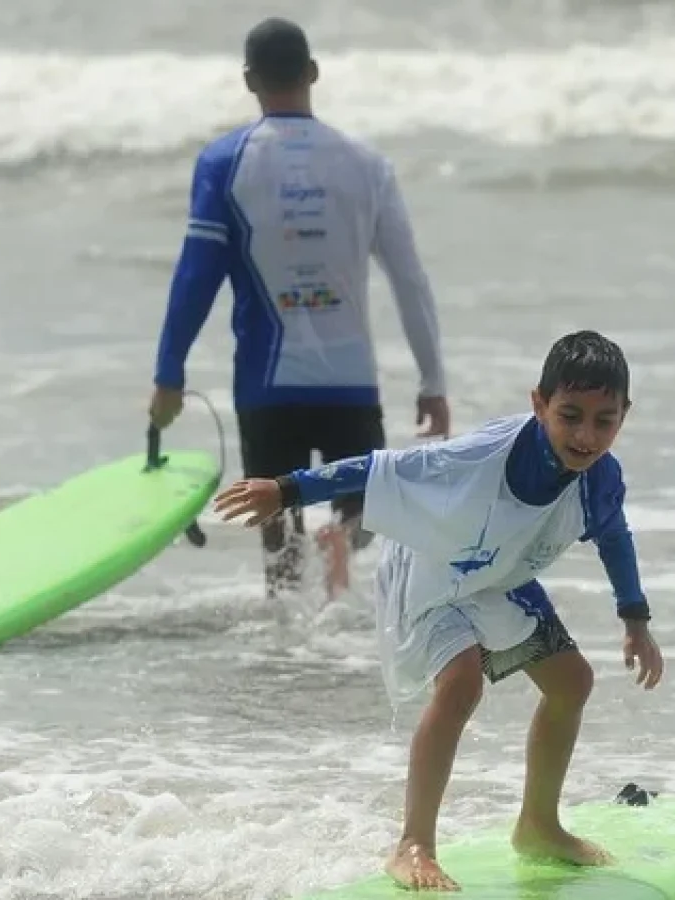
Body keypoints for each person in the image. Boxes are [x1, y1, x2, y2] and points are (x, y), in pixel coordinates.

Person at [212, 330, 666, 891]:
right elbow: (380, 469)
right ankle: (413, 844)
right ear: (538, 404)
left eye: (604, 420)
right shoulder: (476, 457)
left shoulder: (601, 479)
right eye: (570, 414)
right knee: (460, 683)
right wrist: (286, 490)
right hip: (431, 569)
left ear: (625, 415)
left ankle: (539, 826)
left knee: (572, 682)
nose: (585, 435)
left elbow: (614, 537)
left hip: (499, 573)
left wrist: (635, 620)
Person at [149, 16, 452, 599]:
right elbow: (410, 279)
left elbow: (195, 278)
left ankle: (285, 652)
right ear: (313, 73)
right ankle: (340, 535)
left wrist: (169, 376)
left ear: (248, 80)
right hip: (350, 383)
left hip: (268, 387)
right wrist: (431, 381)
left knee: (277, 536)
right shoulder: (367, 166)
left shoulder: (224, 164)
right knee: (364, 513)